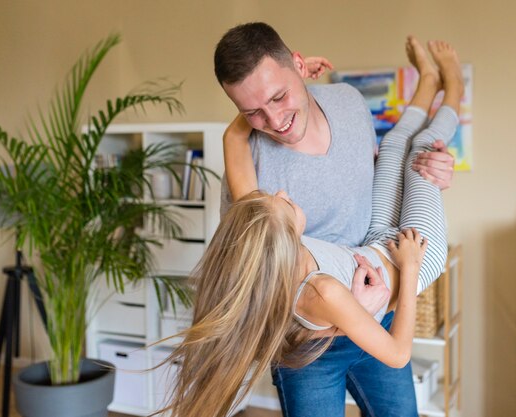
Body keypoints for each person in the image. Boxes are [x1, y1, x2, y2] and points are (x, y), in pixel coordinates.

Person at [157, 35, 463, 417]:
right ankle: (442, 84)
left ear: (299, 67)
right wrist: (342, 319)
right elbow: (259, 289)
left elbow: (384, 166)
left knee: (406, 146)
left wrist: (435, 171)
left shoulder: (348, 102)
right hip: (310, 344)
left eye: (278, 96)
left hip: (376, 293)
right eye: (252, 112)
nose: (273, 122)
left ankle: (431, 82)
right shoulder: (252, 188)